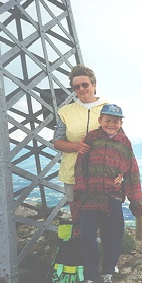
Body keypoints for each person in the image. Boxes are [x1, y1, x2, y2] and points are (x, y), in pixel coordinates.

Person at [71, 103, 142, 283]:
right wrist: (80, 188)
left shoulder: (124, 143)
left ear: (121, 123)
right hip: (90, 197)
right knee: (87, 237)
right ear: (100, 120)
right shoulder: (92, 138)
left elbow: (132, 171)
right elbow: (80, 163)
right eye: (107, 120)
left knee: (112, 236)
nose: (111, 124)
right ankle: (90, 276)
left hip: (112, 198)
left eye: (115, 121)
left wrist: (135, 200)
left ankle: (108, 273)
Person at [53, 65, 108, 203]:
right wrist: (76, 147)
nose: (81, 89)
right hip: (73, 174)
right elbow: (57, 142)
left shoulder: (108, 108)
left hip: (103, 172)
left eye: (85, 84)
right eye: (77, 87)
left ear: (94, 85)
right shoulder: (65, 112)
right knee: (77, 215)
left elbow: (120, 140)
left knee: (105, 216)